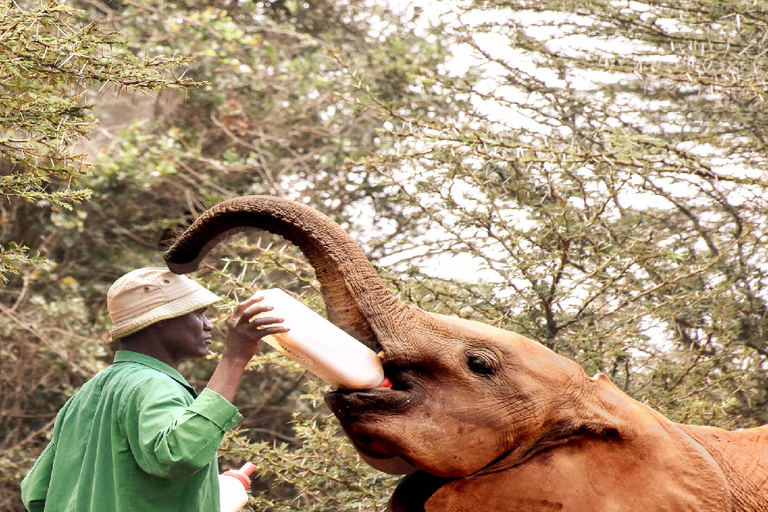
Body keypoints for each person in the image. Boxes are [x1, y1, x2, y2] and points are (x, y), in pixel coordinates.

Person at [20, 267, 288, 512]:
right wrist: (235, 357)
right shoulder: (152, 384)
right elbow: (179, 454)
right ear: (161, 318)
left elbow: (36, 493)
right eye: (198, 313)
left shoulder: (85, 396)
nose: (208, 325)